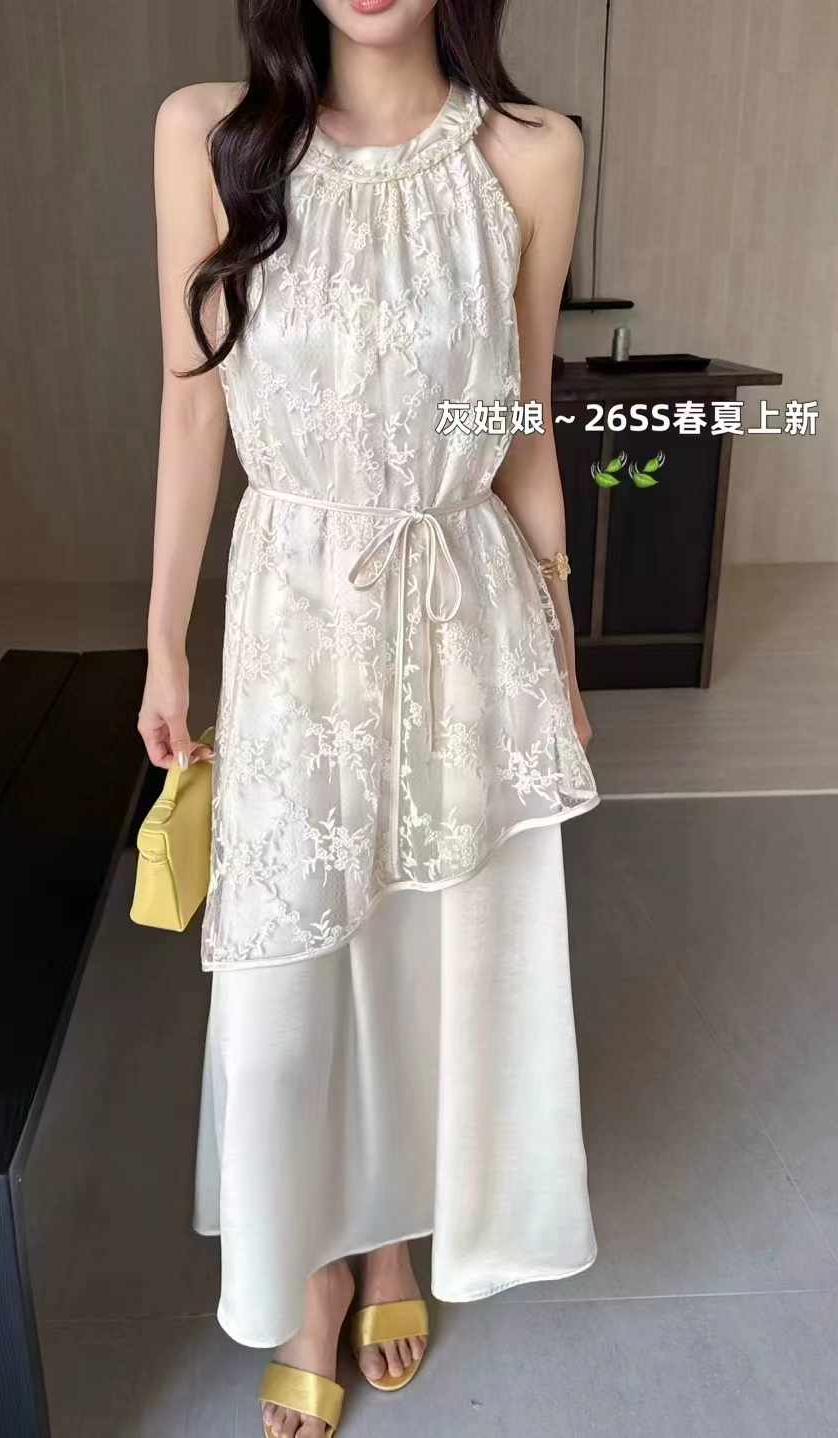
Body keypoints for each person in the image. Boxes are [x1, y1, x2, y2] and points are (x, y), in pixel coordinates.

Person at [140, 2, 600, 1433]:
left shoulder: (532, 153)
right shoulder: (211, 136)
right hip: (292, 613)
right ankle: (313, 1274)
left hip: (462, 604)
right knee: (285, 982)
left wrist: (562, 647)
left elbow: (520, 421)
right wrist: (162, 643)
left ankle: (391, 1240)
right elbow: (193, 409)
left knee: (421, 962)